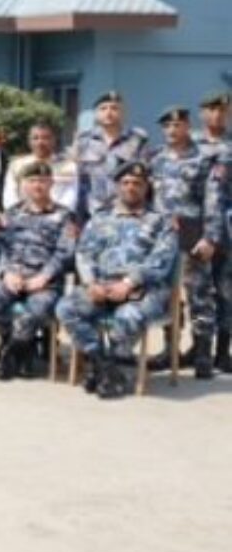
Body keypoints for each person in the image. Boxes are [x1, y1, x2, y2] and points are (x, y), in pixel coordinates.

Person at [56, 161, 177, 399]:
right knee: (67, 308)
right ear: (117, 186)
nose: (131, 187)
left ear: (146, 188)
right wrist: (91, 283)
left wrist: (128, 283)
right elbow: (84, 253)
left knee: (127, 317)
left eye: (137, 184)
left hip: (144, 289)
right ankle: (103, 364)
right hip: (102, 286)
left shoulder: (161, 222)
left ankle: (111, 368)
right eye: (126, 183)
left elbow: (161, 261)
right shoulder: (100, 219)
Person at [0, 161, 76, 380]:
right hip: (13, 277)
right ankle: (17, 342)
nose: (37, 186)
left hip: (45, 282)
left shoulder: (65, 216)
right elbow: (1, 247)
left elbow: (65, 253)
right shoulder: (12, 214)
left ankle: (12, 352)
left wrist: (43, 277)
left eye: (42, 181)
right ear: (23, 185)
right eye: (32, 181)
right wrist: (6, 273)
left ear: (51, 184)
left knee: (36, 310)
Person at [147, 106, 219, 377]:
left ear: (187, 126)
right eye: (167, 126)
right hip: (164, 235)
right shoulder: (155, 159)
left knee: (200, 295)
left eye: (177, 125)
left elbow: (212, 201)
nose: (172, 130)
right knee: (168, 296)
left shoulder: (202, 159)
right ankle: (170, 350)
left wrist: (210, 237)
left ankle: (202, 354)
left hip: (193, 232)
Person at [195, 91, 232, 372]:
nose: (217, 115)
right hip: (197, 229)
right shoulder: (191, 145)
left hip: (228, 231)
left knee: (225, 292)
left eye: (222, 110)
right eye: (211, 110)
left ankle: (223, 351)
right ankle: (196, 349)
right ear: (202, 114)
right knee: (196, 290)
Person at [71, 90, 150, 219]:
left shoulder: (137, 139)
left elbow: (145, 177)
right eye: (103, 108)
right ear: (96, 114)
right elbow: (78, 181)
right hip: (92, 212)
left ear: (122, 113)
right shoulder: (83, 141)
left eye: (114, 108)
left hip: (128, 211)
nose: (109, 113)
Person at [1, 121, 79, 215]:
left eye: (45, 138)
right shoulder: (17, 165)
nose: (40, 142)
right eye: (35, 138)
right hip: (23, 218)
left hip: (57, 218)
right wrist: (17, 214)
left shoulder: (69, 166)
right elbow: (10, 195)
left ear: (54, 140)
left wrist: (57, 214)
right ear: (29, 141)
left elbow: (71, 196)